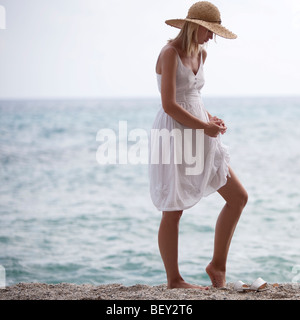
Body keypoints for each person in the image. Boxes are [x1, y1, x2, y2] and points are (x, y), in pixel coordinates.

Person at [149, 1, 248, 289]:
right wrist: (203, 125)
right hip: (174, 133)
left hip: (199, 131)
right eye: (210, 32)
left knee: (238, 197)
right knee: (173, 209)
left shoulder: (201, 54)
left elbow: (192, 97)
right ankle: (174, 280)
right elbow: (169, 104)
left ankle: (217, 267)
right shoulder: (169, 53)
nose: (212, 39)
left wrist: (210, 119)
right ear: (197, 27)